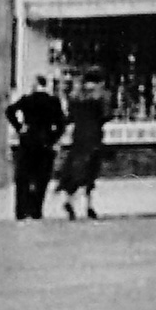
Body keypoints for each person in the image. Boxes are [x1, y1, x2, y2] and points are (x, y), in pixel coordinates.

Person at [5, 75, 65, 221]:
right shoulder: (53, 101)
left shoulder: (27, 100)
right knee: (41, 178)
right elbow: (61, 123)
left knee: (23, 177)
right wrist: (53, 137)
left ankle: (21, 210)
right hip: (45, 143)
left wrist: (20, 127)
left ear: (36, 84)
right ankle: (36, 209)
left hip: (28, 141)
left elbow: (9, 111)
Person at [56, 71, 114, 220]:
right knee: (90, 172)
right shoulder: (101, 96)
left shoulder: (76, 97)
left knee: (74, 170)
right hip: (94, 137)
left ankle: (70, 201)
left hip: (78, 137)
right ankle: (89, 206)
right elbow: (106, 115)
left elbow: (69, 117)